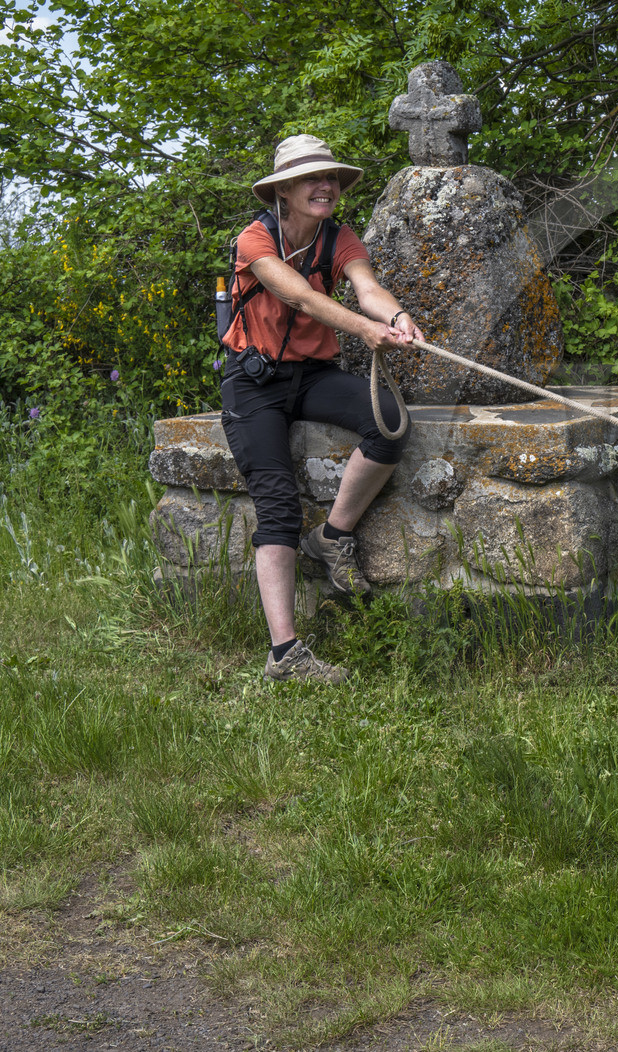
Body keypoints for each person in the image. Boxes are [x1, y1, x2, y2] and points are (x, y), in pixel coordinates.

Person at [220, 134, 418, 683]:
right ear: (284, 190)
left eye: (331, 178)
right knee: (278, 503)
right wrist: (366, 330)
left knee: (391, 423)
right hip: (253, 382)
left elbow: (367, 287)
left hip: (313, 376)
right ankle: (285, 656)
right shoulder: (255, 240)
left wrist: (396, 317)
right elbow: (301, 297)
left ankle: (332, 536)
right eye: (313, 179)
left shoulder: (340, 238)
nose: (326, 186)